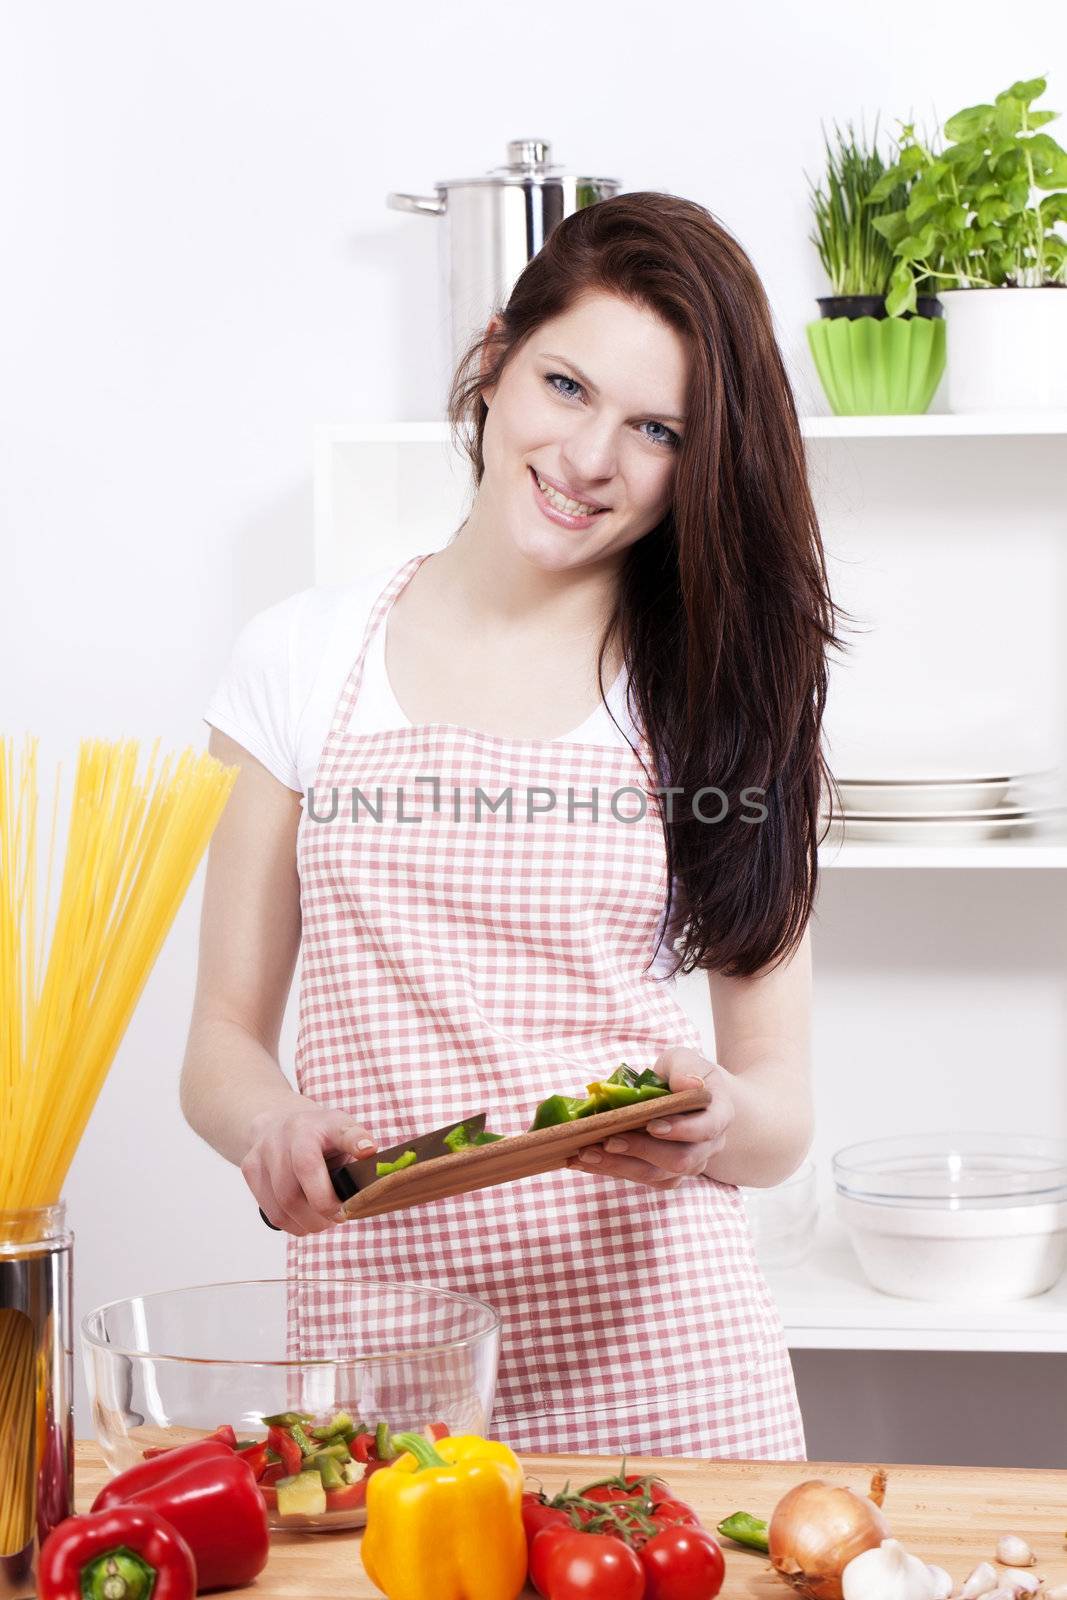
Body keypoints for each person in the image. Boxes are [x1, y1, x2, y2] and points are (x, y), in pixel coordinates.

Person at [181, 190, 840, 1459]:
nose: (590, 458)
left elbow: (781, 1112)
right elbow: (220, 1040)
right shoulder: (302, 660)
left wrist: (715, 1117)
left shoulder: (712, 694)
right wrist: (268, 1124)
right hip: (396, 1361)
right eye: (565, 385)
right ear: (493, 361)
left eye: (654, 428)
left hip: (668, 1366)